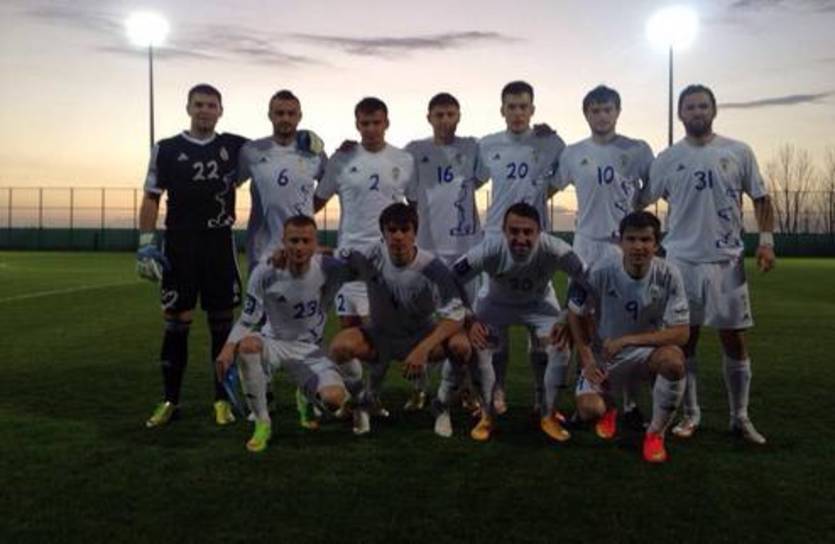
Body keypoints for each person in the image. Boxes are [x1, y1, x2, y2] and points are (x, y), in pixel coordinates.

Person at [637, 84, 776, 444]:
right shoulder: (667, 158)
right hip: (681, 261)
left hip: (727, 262)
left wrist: (766, 243)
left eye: (703, 106)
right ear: (680, 114)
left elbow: (761, 198)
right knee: (685, 341)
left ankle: (740, 417)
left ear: (714, 111)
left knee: (734, 339)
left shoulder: (738, 151)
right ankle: (691, 415)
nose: (697, 112)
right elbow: (641, 198)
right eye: (690, 107)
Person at [136, 83, 248, 428]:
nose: (205, 110)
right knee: (176, 323)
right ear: (188, 108)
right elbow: (152, 197)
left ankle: (222, 400)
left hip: (218, 244)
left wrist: (303, 140)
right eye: (199, 104)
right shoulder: (166, 148)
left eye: (211, 105)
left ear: (221, 111)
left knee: (222, 324)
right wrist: (145, 242)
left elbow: (274, 149)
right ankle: (170, 400)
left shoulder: (235, 146)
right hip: (180, 245)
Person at [214, 215, 359, 452]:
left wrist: (328, 252)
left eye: (306, 241)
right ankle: (262, 423)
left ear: (315, 243)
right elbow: (248, 318)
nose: (299, 247)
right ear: (283, 241)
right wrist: (228, 348)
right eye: (293, 241)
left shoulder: (328, 268)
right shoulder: (265, 271)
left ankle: (306, 396)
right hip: (274, 343)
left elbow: (364, 266)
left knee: (334, 400)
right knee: (248, 346)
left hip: (310, 349)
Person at [555, 84, 655, 425]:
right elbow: (552, 185)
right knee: (579, 318)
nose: (601, 116)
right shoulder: (572, 153)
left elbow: (652, 188)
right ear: (586, 114)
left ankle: (629, 401)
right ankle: (582, 385)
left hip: (621, 246)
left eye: (607, 109)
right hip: (585, 245)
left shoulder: (638, 150)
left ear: (618, 112)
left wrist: (634, 210)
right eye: (595, 110)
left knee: (625, 319)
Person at [447, 203, 587, 442]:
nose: (520, 238)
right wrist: (469, 318)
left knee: (559, 347)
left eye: (528, 232)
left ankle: (547, 412)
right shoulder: (489, 249)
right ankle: (487, 414)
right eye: (514, 231)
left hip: (538, 304)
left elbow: (585, 276)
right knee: (481, 348)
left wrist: (566, 315)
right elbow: (451, 279)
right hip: (496, 304)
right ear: (503, 231)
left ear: (539, 232)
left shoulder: (556, 249)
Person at [327, 203, 471, 435]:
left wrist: (423, 349)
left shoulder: (433, 267)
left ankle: (442, 405)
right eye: (392, 230)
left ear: (415, 233)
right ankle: (362, 402)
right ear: (383, 234)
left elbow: (456, 316)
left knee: (461, 346)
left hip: (420, 335)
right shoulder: (370, 254)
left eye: (405, 229)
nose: (398, 236)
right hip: (380, 336)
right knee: (339, 347)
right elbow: (331, 261)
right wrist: (301, 255)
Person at [568, 211, 690, 463]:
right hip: (606, 356)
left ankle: (655, 433)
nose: (638, 246)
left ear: (657, 244)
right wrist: (587, 359)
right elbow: (575, 312)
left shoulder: (669, 274)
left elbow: (682, 333)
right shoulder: (600, 271)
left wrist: (628, 340)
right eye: (631, 239)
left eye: (645, 240)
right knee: (589, 410)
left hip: (645, 354)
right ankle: (610, 408)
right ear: (620, 242)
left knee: (674, 361)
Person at [477, 80, 566, 415]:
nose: (517, 113)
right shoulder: (487, 145)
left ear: (532, 109)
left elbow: (556, 183)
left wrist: (534, 201)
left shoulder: (552, 143)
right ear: (502, 110)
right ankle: (497, 389)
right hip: (496, 242)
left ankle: (541, 396)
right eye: (511, 107)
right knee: (495, 328)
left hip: (535, 244)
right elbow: (471, 181)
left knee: (540, 328)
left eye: (523, 107)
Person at [402, 92, 490, 411]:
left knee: (468, 321)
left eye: (450, 114)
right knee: (423, 319)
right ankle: (419, 388)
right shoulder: (415, 151)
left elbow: (481, 177)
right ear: (429, 118)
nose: (444, 120)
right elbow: (410, 197)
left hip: (467, 250)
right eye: (439, 115)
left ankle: (465, 387)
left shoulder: (472, 147)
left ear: (459, 116)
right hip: (429, 250)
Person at [239, 90, 327, 271]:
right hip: (263, 251)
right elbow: (231, 184)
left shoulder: (314, 152)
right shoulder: (252, 150)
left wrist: (309, 209)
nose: (285, 118)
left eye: (291, 113)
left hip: (304, 248)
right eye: (280, 113)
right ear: (270, 115)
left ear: (299, 116)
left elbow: (328, 185)